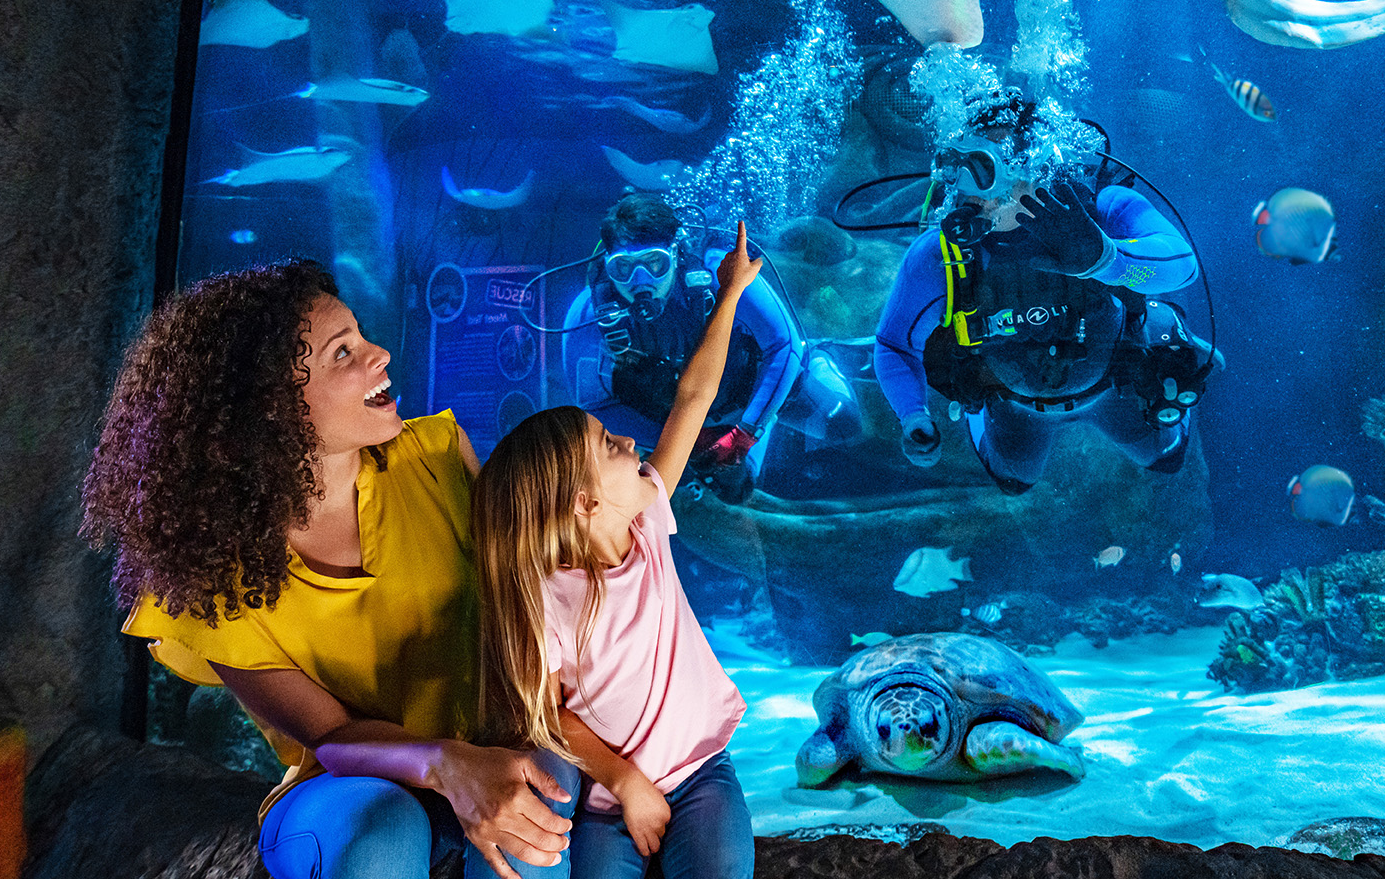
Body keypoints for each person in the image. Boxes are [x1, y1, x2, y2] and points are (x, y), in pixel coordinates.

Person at [80, 260, 577, 879]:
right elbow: (332, 734)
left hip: (487, 745)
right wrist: (448, 765)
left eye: (361, 336)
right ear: (268, 408)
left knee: (539, 795)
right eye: (344, 352)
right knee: (379, 838)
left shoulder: (439, 458)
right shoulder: (214, 580)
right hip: (351, 784)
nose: (381, 354)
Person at [474, 220, 761, 879]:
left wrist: (729, 298)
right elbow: (548, 713)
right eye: (609, 446)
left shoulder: (645, 517)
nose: (632, 444)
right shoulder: (544, 593)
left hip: (703, 773)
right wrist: (625, 782)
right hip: (607, 798)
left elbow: (694, 397)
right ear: (581, 503)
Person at [874, 94, 1212, 494]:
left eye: (982, 168)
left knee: (1165, 458)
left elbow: (1183, 266)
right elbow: (894, 344)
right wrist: (913, 416)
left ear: (1030, 164)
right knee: (1013, 480)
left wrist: (1107, 258)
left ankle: (1161, 327)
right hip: (1015, 404)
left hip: (1115, 381)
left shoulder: (1101, 207)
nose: (968, 193)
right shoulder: (941, 254)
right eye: (958, 168)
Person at [560, 193, 857, 501]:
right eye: (623, 268)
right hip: (686, 418)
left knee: (845, 424)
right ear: (608, 266)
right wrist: (689, 441)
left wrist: (744, 433)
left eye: (655, 264)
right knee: (736, 494)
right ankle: (758, 427)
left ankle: (821, 358)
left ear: (675, 254)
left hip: (753, 384)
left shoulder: (721, 269)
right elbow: (593, 409)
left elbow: (783, 346)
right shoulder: (587, 315)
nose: (640, 281)